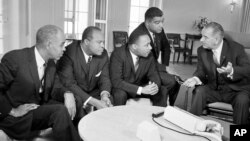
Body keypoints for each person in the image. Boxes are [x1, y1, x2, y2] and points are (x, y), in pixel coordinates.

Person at [0, 25, 81, 141]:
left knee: (76, 100)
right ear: (48, 44)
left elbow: (56, 87)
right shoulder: (15, 59)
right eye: (62, 44)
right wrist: (12, 111)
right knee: (59, 111)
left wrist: (68, 93)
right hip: (20, 116)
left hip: (38, 107)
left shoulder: (51, 64)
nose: (64, 49)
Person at [183, 22, 250, 124]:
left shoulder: (237, 48)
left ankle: (239, 135)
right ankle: (191, 126)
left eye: (205, 37)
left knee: (243, 100)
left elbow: (247, 69)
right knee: (199, 91)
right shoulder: (202, 50)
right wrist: (195, 79)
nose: (201, 40)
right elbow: (200, 71)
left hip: (236, 91)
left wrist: (232, 70)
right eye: (202, 36)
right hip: (214, 90)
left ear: (217, 39)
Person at [57, 26, 113, 115]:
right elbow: (69, 83)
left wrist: (104, 95)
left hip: (93, 91)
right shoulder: (68, 53)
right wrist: (94, 102)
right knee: (78, 102)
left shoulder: (103, 54)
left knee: (109, 101)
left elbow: (105, 78)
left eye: (103, 42)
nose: (103, 46)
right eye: (99, 42)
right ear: (86, 42)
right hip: (76, 92)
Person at [132, 7, 180, 106]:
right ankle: (160, 105)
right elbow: (145, 62)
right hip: (141, 71)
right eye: (157, 22)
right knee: (172, 81)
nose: (161, 25)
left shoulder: (159, 30)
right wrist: (165, 68)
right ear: (147, 23)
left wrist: (165, 66)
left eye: (162, 21)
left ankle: (172, 108)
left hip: (154, 67)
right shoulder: (138, 35)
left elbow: (166, 47)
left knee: (176, 80)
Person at [110, 29, 167, 106]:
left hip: (141, 86)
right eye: (146, 45)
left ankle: (158, 116)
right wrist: (141, 90)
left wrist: (155, 86)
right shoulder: (118, 54)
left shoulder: (149, 54)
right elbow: (116, 81)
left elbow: (154, 74)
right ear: (134, 46)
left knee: (162, 90)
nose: (150, 47)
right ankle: (120, 117)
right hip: (124, 88)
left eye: (150, 44)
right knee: (119, 94)